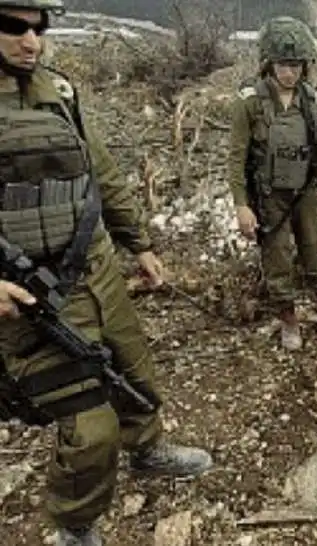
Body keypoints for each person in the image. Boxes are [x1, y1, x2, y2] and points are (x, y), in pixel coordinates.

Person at [0, 2, 213, 545]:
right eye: (14, 26)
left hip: (94, 268)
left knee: (135, 370)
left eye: (39, 28)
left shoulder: (58, 93)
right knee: (89, 426)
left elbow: (103, 174)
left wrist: (137, 242)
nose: (32, 41)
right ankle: (76, 524)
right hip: (30, 297)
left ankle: (146, 450)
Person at [227, 15, 317, 351]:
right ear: (269, 64)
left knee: (315, 250)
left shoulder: (310, 101)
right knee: (278, 258)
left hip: (305, 190)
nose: (290, 72)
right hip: (270, 195)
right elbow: (236, 158)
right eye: (284, 65)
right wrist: (241, 205)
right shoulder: (250, 103)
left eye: (296, 65)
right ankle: (288, 318)